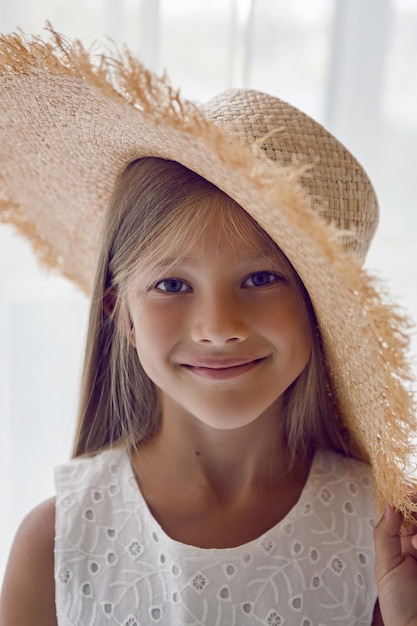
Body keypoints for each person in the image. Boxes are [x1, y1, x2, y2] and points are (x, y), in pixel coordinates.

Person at [0, 26, 416, 626]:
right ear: (124, 317)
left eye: (261, 279)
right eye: (172, 285)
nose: (218, 327)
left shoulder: (384, 539)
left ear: (316, 309)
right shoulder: (55, 544)